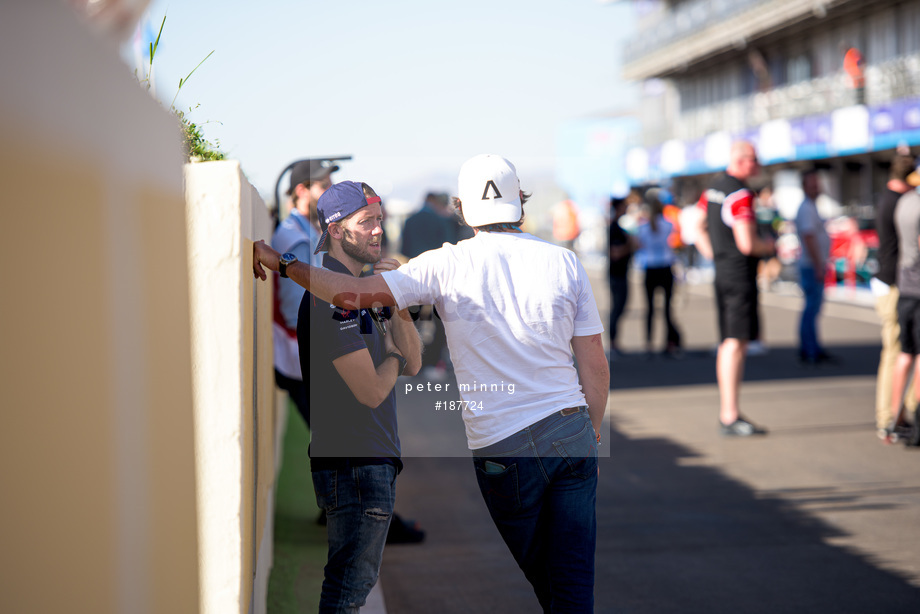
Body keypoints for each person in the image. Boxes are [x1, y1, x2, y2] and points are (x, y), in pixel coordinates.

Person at [254, 154, 609, 613]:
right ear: (519, 203)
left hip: (503, 444)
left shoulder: (444, 264)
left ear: (461, 209)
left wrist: (283, 263)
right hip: (571, 429)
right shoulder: (565, 262)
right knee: (572, 586)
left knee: (552, 583)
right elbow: (595, 366)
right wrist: (592, 437)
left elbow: (351, 297)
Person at [295, 180, 422, 612]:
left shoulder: (364, 291)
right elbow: (371, 390)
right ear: (336, 230)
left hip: (367, 460)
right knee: (348, 591)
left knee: (350, 589)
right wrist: (393, 357)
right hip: (354, 465)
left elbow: (417, 361)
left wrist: (398, 299)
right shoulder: (332, 301)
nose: (377, 231)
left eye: (379, 221)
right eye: (365, 222)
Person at [695, 141, 775, 436]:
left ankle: (729, 412)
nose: (759, 164)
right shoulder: (741, 193)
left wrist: (712, 254)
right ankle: (729, 414)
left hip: (723, 272)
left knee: (731, 341)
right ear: (742, 160)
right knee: (735, 342)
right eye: (756, 159)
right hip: (739, 274)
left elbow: (695, 224)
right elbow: (746, 243)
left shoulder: (714, 186)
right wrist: (768, 246)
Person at [272, 159, 337, 428]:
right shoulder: (296, 238)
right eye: (324, 186)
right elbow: (294, 314)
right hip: (300, 361)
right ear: (302, 191)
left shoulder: (308, 232)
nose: (331, 194)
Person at [873, 153, 917, 440]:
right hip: (896, 284)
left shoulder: (887, 199)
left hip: (888, 281)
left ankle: (894, 414)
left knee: (897, 352)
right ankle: (891, 416)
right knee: (897, 352)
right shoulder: (902, 203)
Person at [400, 192, 457, 377]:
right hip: (438, 279)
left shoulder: (411, 220)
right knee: (439, 321)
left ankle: (412, 363)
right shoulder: (440, 220)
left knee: (412, 321)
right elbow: (450, 248)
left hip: (414, 277)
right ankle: (433, 362)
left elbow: (404, 249)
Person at [885, 161, 920, 444]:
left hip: (905, 286)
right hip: (918, 288)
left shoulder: (905, 202)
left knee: (905, 354)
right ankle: (915, 418)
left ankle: (895, 417)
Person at [635, 188, 682, 357]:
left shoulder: (643, 226)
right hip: (665, 267)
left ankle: (648, 343)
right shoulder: (668, 224)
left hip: (650, 268)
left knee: (649, 308)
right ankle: (670, 343)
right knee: (667, 309)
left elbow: (639, 245)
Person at [794, 169, 832, 365]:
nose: (816, 188)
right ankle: (809, 349)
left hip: (813, 264)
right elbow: (809, 238)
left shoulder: (811, 207)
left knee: (813, 308)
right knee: (811, 308)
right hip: (811, 265)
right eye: (812, 184)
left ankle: (812, 347)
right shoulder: (807, 208)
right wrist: (818, 265)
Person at [608, 196, 634, 358]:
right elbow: (615, 253)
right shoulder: (614, 229)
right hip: (616, 274)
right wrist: (631, 244)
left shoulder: (616, 227)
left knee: (620, 308)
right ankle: (613, 343)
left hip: (620, 273)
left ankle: (614, 342)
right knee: (617, 308)